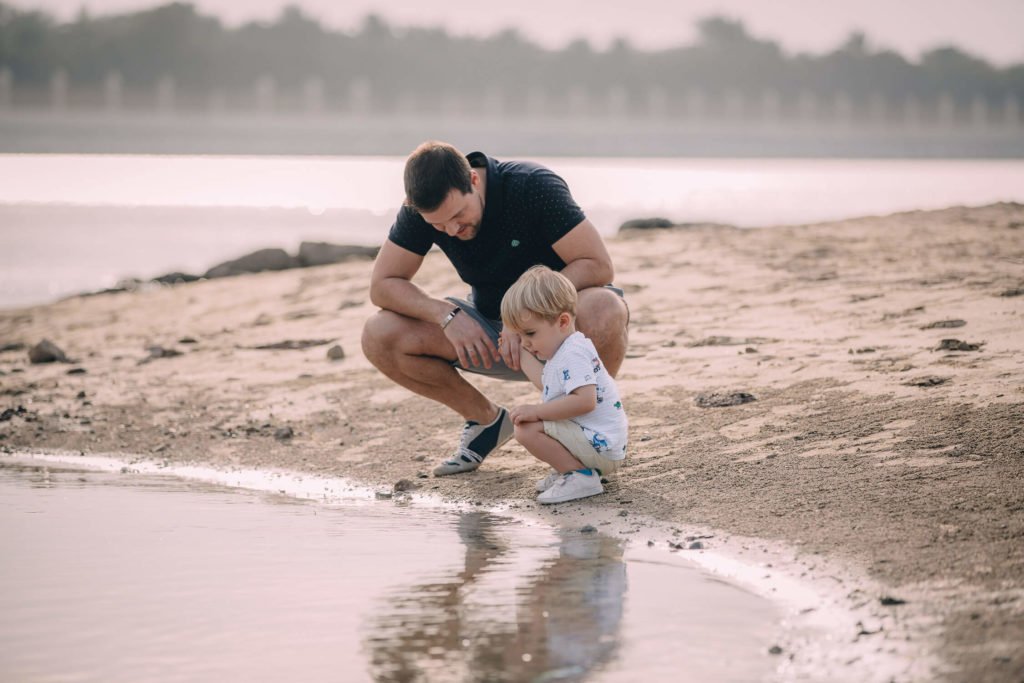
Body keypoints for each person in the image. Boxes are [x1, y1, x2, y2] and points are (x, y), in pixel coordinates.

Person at [362, 141, 629, 477]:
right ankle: (486, 421)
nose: (452, 231)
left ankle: (586, 431)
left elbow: (597, 264)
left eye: (459, 215)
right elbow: (383, 284)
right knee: (379, 333)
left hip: (557, 331)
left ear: (474, 180)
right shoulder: (422, 209)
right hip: (489, 332)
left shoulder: (532, 187)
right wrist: (447, 315)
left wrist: (521, 316)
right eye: (438, 225)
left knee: (604, 307)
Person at [501, 266, 628, 503]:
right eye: (521, 337)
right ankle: (570, 470)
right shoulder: (563, 352)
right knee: (533, 422)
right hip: (598, 444)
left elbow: (585, 401)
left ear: (562, 321)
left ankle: (579, 475)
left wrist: (535, 411)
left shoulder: (573, 354)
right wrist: (520, 350)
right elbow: (545, 383)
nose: (526, 343)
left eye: (530, 333)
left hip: (601, 446)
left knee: (527, 429)